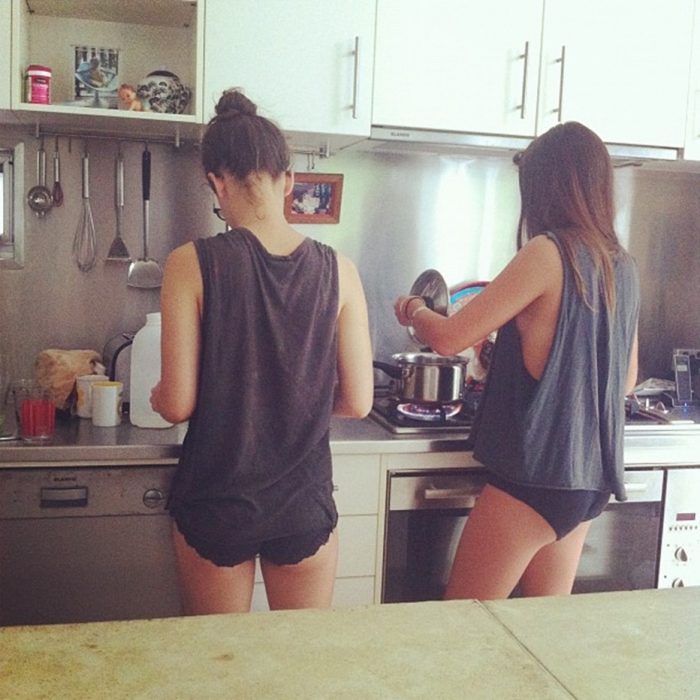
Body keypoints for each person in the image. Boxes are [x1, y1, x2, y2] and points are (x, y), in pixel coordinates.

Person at [394, 122, 640, 600]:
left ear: (544, 187)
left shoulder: (548, 252)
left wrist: (413, 309)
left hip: (537, 478)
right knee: (539, 635)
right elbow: (625, 381)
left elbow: (448, 338)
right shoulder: (621, 264)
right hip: (587, 483)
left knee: (463, 624)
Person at [151, 89, 374, 614]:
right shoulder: (339, 270)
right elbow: (359, 401)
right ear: (288, 180)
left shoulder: (190, 263)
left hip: (216, 504)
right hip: (303, 507)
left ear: (216, 181)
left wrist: (158, 395)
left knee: (221, 669)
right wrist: (296, 403)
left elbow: (177, 403)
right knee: (296, 670)